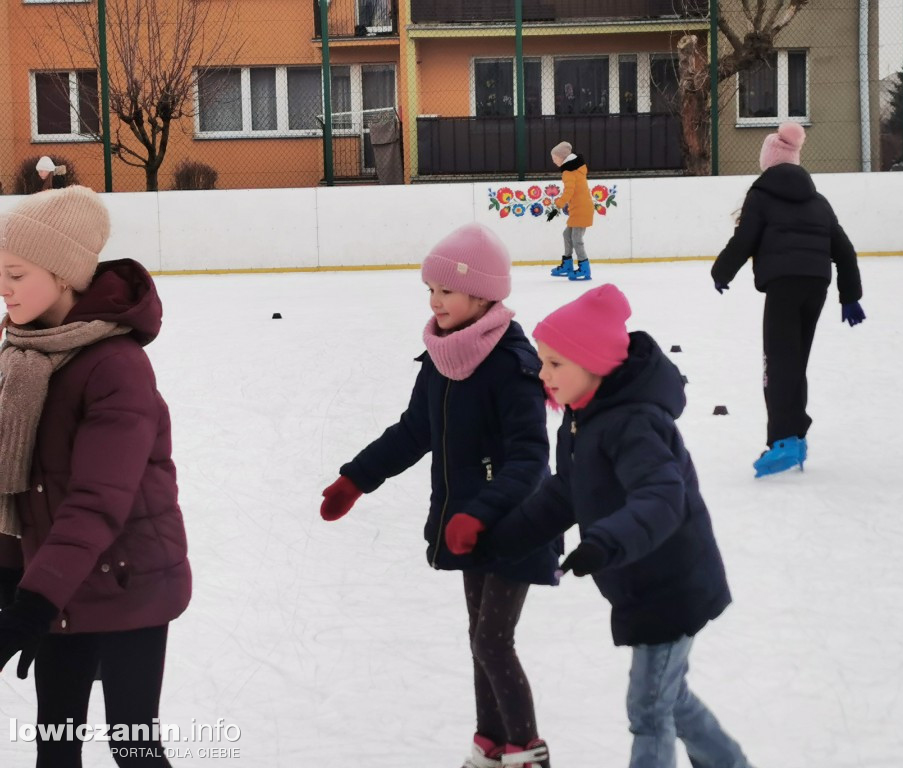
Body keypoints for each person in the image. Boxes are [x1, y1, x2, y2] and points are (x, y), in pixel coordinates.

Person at [452, 284, 754, 768]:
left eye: (555, 364)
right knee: (670, 700)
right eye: (542, 362)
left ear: (593, 363)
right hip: (639, 582)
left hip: (671, 584)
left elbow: (662, 498)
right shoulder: (580, 421)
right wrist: (498, 541)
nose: (542, 375)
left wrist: (605, 542)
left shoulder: (634, 423)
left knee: (650, 708)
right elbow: (563, 494)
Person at [320, 223, 556, 768]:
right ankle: (491, 745)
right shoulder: (443, 357)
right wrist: (357, 477)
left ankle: (528, 752)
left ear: (483, 294)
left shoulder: (512, 364)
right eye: (430, 289)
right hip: (469, 524)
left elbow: (530, 460)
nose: (434, 301)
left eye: (446, 290)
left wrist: (481, 511)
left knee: (493, 640)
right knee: (481, 639)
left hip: (515, 523)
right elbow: (414, 431)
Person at [0, 186, 191, 767]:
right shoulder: (25, 356)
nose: (2, 288)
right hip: (60, 579)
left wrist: (32, 603)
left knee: (133, 747)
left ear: (62, 276)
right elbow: (21, 488)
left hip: (132, 583)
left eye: (14, 273)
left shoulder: (116, 367)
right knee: (56, 747)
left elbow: (95, 502)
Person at [711, 122, 864, 477]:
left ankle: (783, 441)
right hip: (816, 286)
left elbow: (744, 240)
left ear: (768, 161)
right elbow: (844, 249)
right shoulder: (818, 200)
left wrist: (721, 272)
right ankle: (795, 434)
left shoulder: (761, 194)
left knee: (778, 364)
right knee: (795, 362)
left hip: (782, 285)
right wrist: (849, 296)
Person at [547, 141, 594, 281]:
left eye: (555, 158)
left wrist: (558, 206)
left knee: (576, 238)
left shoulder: (568, 172)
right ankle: (568, 264)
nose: (553, 161)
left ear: (562, 158)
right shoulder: (574, 170)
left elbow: (569, 192)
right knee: (567, 234)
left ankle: (584, 268)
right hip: (579, 208)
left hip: (582, 209)